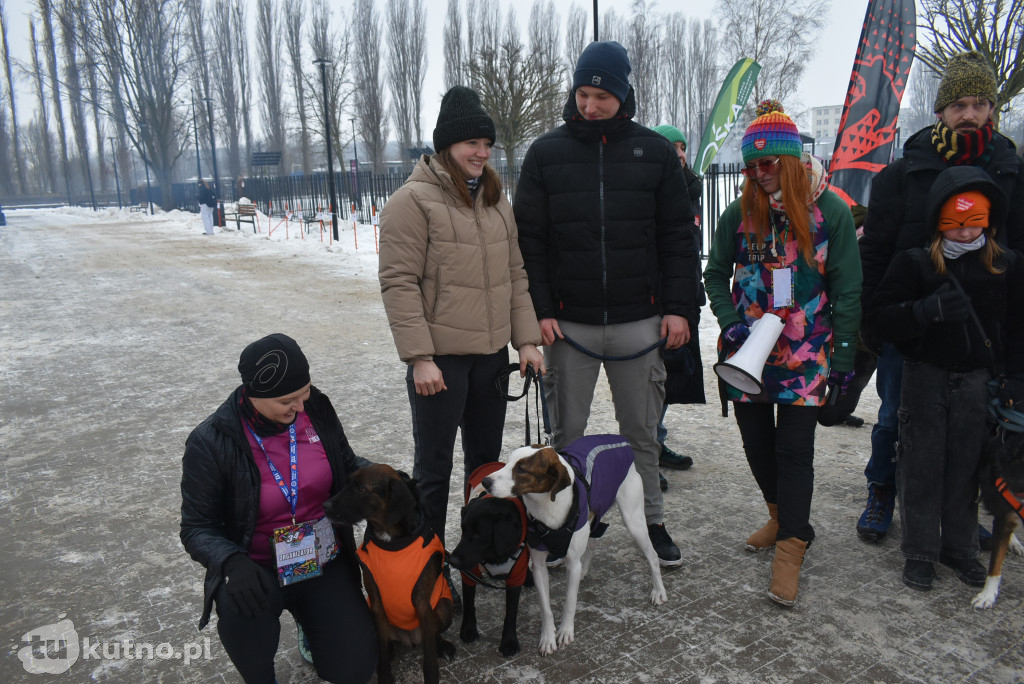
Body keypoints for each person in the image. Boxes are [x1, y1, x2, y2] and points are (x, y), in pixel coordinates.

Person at [514, 41, 700, 566]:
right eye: (583, 94)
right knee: (565, 435)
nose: (590, 105)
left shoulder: (654, 152)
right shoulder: (545, 153)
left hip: (639, 319)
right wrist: (541, 309)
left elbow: (677, 238)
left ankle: (653, 520)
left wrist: (679, 307)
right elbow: (529, 242)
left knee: (641, 432)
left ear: (623, 95)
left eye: (602, 96)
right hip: (566, 323)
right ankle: (563, 523)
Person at [857, 50, 1024, 544]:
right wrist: (871, 319)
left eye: (979, 104)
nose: (969, 114)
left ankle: (959, 516)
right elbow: (875, 251)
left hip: (983, 326)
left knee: (973, 425)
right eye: (958, 105)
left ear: (992, 108)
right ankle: (882, 489)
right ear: (940, 110)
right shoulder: (902, 173)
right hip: (912, 321)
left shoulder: (1012, 172)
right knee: (895, 415)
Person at [703, 100, 862, 605]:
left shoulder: (831, 212)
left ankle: (793, 545)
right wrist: (729, 323)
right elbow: (714, 273)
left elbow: (848, 291)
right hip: (748, 355)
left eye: (766, 163)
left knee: (794, 451)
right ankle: (779, 516)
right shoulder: (739, 213)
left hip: (805, 357)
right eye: (750, 166)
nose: (757, 173)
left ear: (790, 160)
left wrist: (843, 362)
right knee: (756, 444)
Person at [378, 86, 544, 553]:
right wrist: (419, 357)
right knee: (433, 469)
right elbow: (399, 283)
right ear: (447, 145)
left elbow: (514, 274)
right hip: (441, 364)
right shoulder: (411, 202)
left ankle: (480, 552)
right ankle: (428, 563)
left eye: (487, 144)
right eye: (472, 142)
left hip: (490, 358)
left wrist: (526, 341)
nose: (482, 152)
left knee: (486, 467)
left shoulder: (495, 201)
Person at [180, 333, 376, 683]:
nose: (299, 407)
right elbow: (196, 527)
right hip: (256, 568)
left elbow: (345, 464)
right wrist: (231, 561)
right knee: (244, 628)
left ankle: (311, 622)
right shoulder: (211, 441)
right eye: (287, 400)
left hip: (320, 558)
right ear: (253, 394)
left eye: (305, 393)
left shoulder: (317, 408)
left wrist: (387, 479)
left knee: (355, 669)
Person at [869, 166, 1024, 590]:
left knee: (966, 469)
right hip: (925, 377)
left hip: (977, 382)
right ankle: (920, 551)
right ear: (937, 219)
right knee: (920, 465)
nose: (965, 232)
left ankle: (960, 548)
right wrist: (922, 312)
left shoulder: (1007, 265)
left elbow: (1018, 328)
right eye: (955, 223)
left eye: (975, 222)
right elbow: (880, 319)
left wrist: (1016, 378)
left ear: (990, 219)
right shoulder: (915, 262)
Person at [651, 124, 706, 478]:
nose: (681, 154)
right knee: (651, 381)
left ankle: (655, 443)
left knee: (671, 379)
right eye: (672, 148)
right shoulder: (650, 191)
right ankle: (645, 451)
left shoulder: (691, 189)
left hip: (683, 299)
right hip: (656, 301)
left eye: (683, 147)